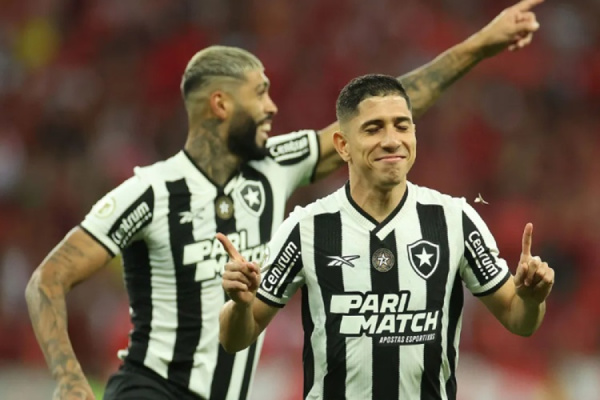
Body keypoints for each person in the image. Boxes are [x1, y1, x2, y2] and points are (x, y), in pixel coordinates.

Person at [25, 1, 545, 399]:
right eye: (260, 94)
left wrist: (482, 44)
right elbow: (47, 279)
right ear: (220, 104)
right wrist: (69, 380)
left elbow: (388, 107)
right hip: (153, 388)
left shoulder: (276, 163)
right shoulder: (152, 191)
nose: (274, 107)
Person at [217, 73, 554, 400]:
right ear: (343, 146)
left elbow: (519, 320)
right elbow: (235, 338)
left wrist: (531, 299)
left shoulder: (454, 219)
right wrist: (240, 306)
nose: (392, 140)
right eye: (373, 128)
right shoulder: (308, 227)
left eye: (402, 126)